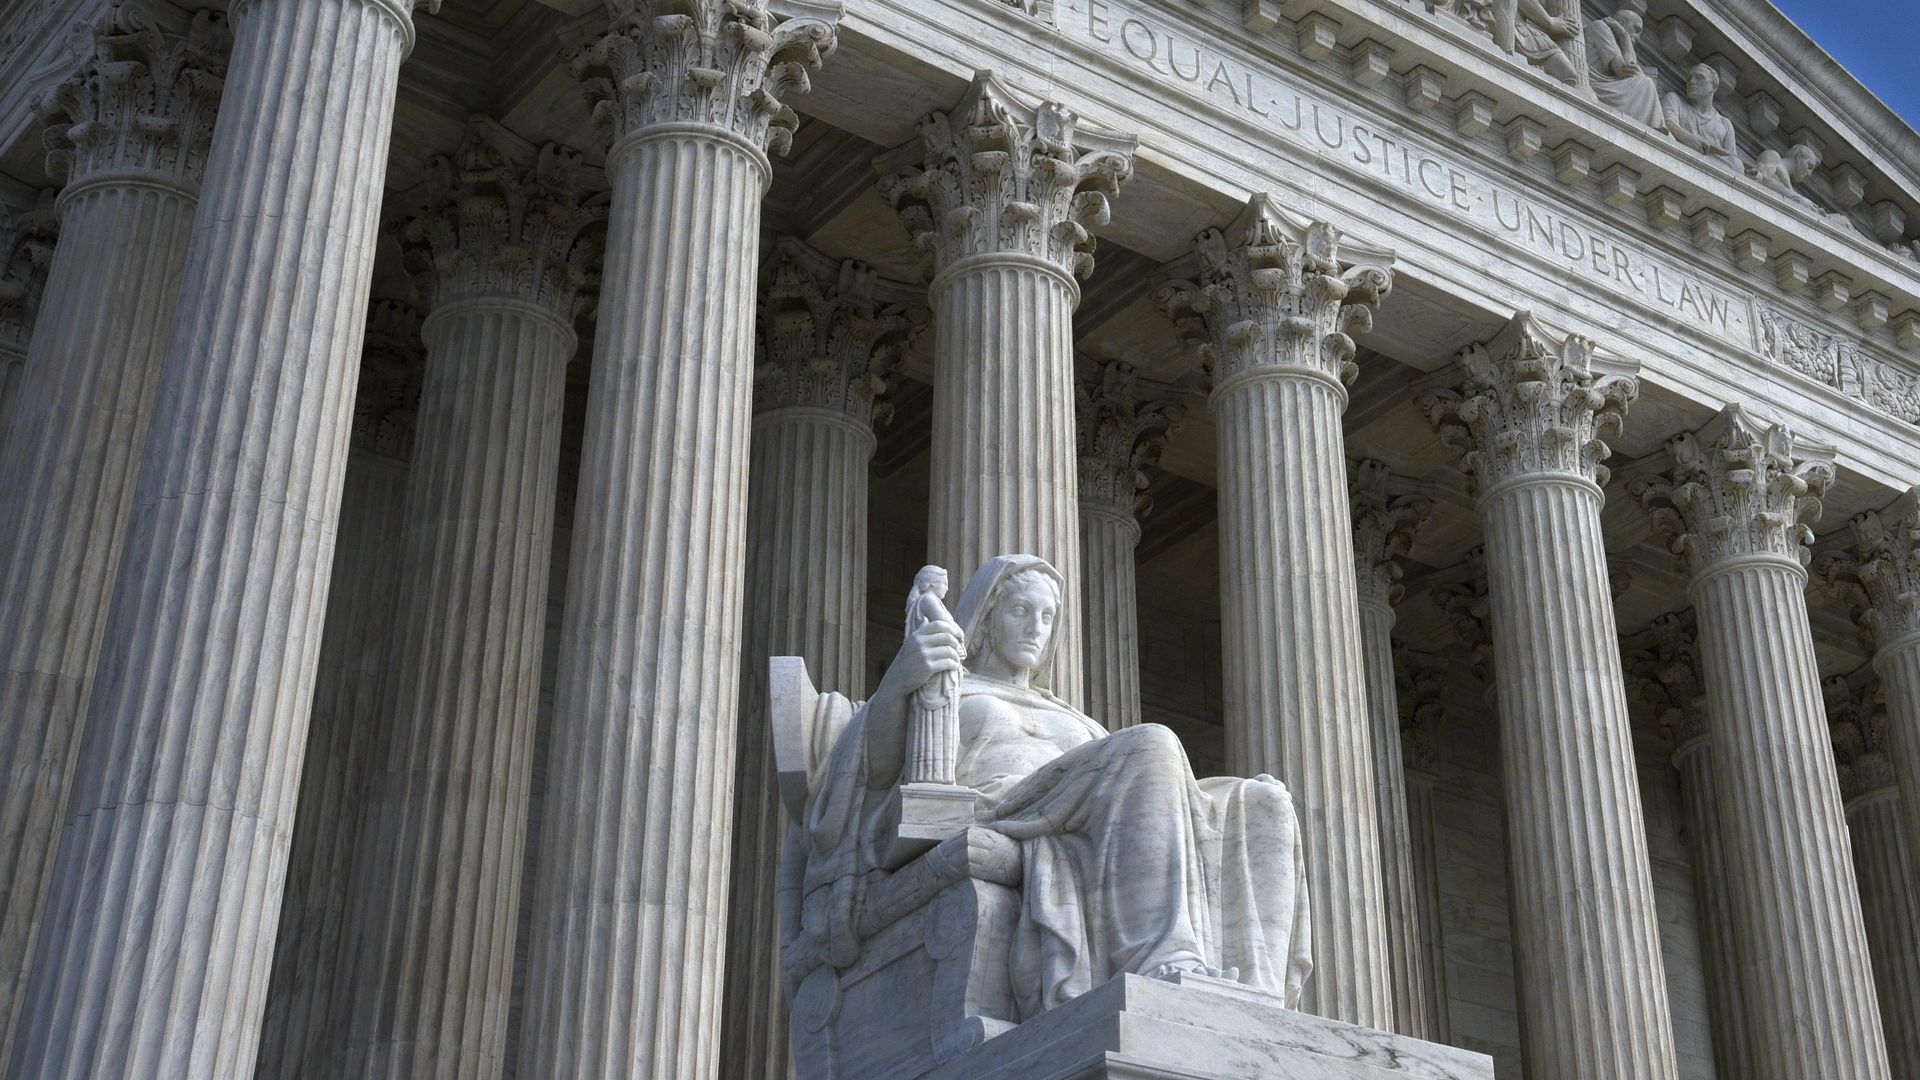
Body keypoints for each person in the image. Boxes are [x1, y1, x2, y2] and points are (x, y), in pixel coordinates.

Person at [783, 555, 1312, 1021]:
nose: (1036, 628)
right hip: (999, 805)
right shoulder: (948, 688)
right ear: (986, 618)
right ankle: (1164, 956)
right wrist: (902, 678)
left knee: (1264, 801)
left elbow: (1150, 795)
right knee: (1151, 743)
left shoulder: (1072, 718)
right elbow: (872, 772)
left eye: (1047, 615)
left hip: (1080, 815)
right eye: (1020, 612)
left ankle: (1254, 1000)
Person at [1583, 11, 1661, 128]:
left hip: (1607, 86)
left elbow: (1631, 69)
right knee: (1647, 84)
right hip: (1597, 85)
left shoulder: (1616, 42)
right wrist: (1624, 36)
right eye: (1636, 29)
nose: (1638, 37)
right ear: (1621, 23)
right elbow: (1625, 71)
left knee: (1646, 83)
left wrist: (1625, 39)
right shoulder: (1600, 27)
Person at [1664, 64, 1741, 169]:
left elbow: (1731, 157)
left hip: (1715, 168)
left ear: (1714, 86)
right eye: (1689, 78)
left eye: (1699, 77)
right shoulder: (1674, 99)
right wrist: (1688, 138)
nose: (1691, 82)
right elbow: (1667, 123)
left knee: (1738, 165)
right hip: (1680, 157)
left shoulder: (1724, 124)